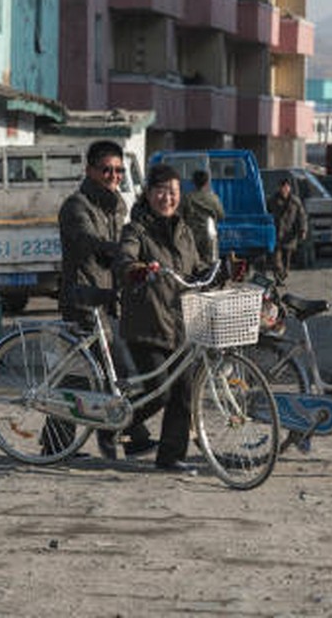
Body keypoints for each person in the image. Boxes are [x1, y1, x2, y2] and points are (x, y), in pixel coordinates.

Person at [53, 140, 154, 459]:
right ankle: (126, 435)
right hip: (82, 297)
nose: (114, 176)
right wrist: (122, 252)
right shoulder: (76, 206)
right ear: (90, 170)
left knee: (87, 373)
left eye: (119, 170)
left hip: (108, 296)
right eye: (107, 170)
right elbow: (87, 243)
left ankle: (58, 441)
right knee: (112, 369)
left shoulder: (118, 204)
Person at [115, 164, 206, 472]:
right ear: (149, 193)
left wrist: (216, 272)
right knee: (160, 390)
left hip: (180, 325)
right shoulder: (136, 229)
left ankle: (170, 457)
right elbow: (126, 257)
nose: (168, 198)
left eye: (174, 192)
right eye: (162, 191)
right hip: (146, 324)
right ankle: (117, 423)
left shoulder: (184, 230)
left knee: (183, 392)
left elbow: (195, 267)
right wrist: (135, 269)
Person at [179, 169, 224, 266]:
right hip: (209, 236)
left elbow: (180, 216)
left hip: (191, 235)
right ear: (207, 182)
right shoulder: (213, 198)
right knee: (211, 265)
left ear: (193, 182)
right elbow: (221, 216)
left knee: (192, 263)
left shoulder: (187, 198)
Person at [267, 177, 307, 283]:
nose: (284, 189)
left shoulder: (295, 201)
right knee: (276, 260)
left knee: (287, 259)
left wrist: (303, 230)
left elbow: (301, 216)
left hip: (290, 234)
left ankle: (283, 274)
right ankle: (278, 275)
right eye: (282, 186)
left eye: (286, 187)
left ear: (289, 188)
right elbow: (267, 214)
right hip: (276, 233)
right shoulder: (273, 200)